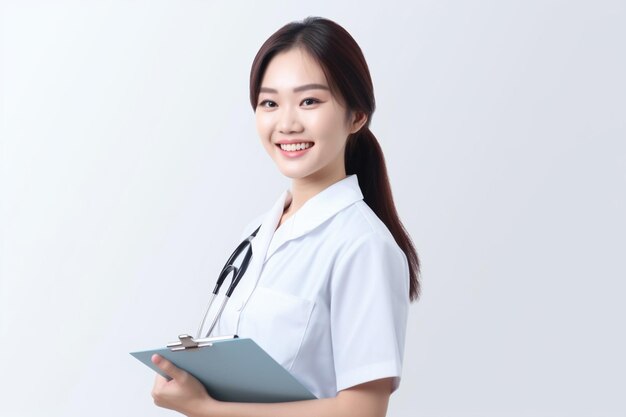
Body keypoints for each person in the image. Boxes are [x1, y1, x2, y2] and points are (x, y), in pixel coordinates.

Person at [149, 16, 420, 417]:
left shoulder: (364, 245)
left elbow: (363, 411)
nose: (287, 123)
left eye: (310, 101)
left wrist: (206, 408)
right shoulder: (257, 232)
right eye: (269, 103)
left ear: (357, 115)